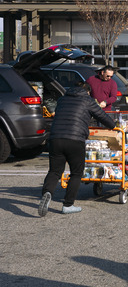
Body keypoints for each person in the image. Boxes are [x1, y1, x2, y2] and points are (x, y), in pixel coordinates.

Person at [38, 82, 116, 216]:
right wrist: (112, 125)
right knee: (76, 173)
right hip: (75, 139)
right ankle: (68, 205)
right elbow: (102, 117)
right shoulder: (88, 100)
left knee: (55, 171)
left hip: (55, 138)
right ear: (87, 92)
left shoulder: (62, 99)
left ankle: (47, 192)